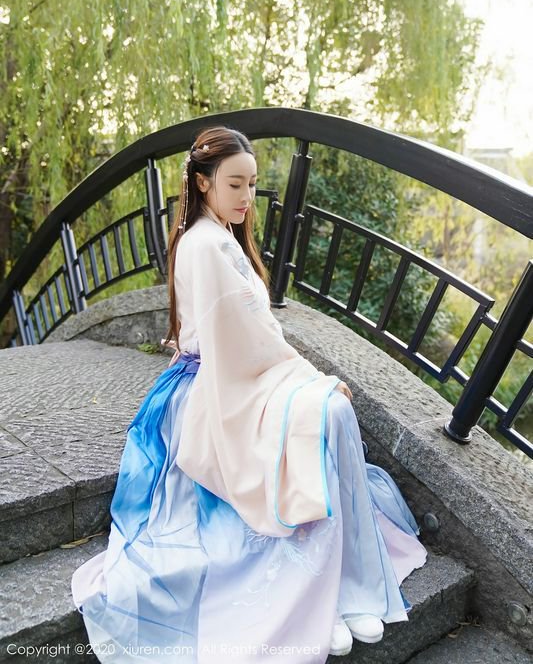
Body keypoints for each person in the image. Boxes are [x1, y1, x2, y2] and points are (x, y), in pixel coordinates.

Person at [71, 125, 427, 663]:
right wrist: (308, 377)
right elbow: (240, 342)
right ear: (203, 182)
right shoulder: (204, 245)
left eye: (252, 185)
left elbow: (258, 331)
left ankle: (343, 581)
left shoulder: (220, 237)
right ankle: (325, 593)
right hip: (217, 381)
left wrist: (304, 377)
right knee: (325, 409)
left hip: (239, 372)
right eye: (234, 184)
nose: (245, 197)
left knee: (328, 411)